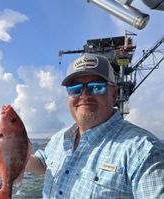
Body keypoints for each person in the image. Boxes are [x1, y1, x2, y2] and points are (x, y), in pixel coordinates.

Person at [26, 53, 164, 198]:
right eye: (75, 88)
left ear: (114, 94)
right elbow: (43, 163)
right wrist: (12, 153)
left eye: (96, 87)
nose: (84, 95)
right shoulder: (58, 138)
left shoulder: (144, 151)